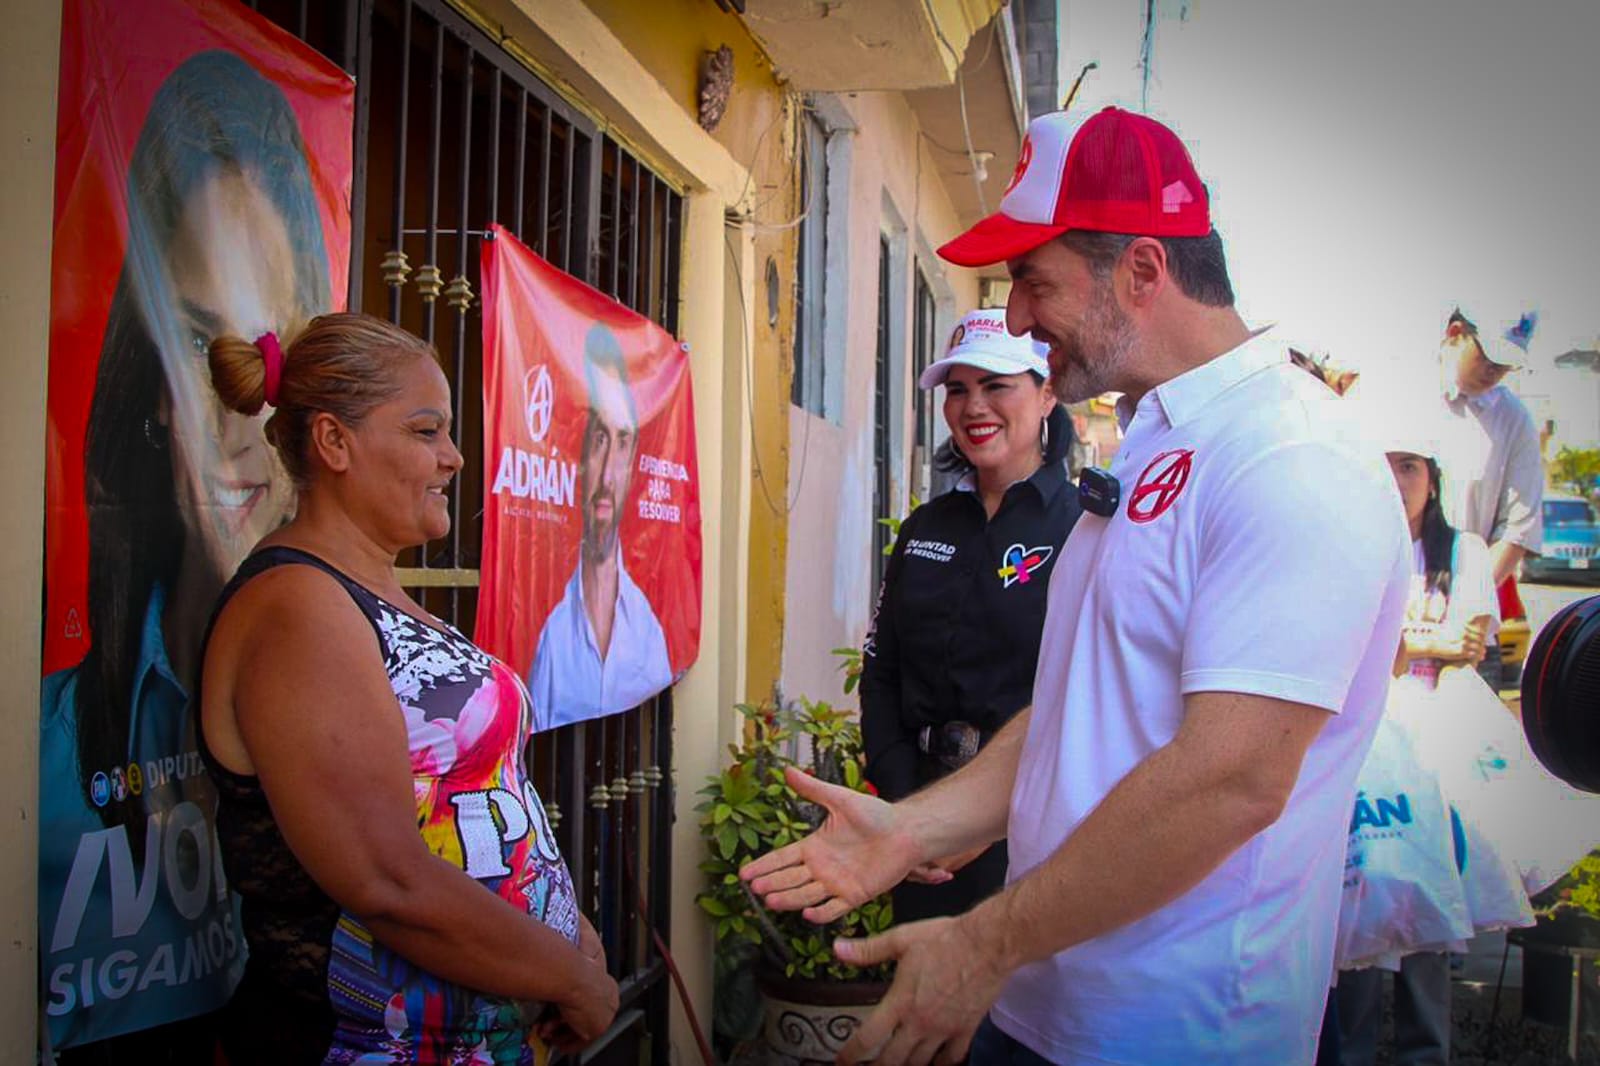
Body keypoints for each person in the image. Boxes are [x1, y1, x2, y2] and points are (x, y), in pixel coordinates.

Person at [743, 105, 1413, 1065]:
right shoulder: (1154, 440)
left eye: (1031, 279)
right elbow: (1081, 712)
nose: (1015, 317)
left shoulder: (1291, 456)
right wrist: (912, 824)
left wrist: (983, 940)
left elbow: (1230, 780)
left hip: (1178, 1033)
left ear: (1142, 271)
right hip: (1044, 1003)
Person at [197, 312, 619, 1063]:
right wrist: (573, 980)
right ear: (334, 442)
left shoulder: (369, 587)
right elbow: (384, 876)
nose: (455, 458)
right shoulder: (298, 608)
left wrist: (561, 939)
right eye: (427, 432)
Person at [39, 50, 329, 1060]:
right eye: (205, 352)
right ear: (153, 387)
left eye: (273, 357)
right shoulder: (45, 743)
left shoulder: (360, 657)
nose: (245, 419)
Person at [861, 308, 1081, 926]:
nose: (973, 406)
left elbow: (1081, 694)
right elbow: (881, 669)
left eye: (996, 385)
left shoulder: (1085, 531)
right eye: (957, 389)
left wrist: (982, 820)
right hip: (921, 826)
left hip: (1032, 829)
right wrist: (911, 807)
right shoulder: (924, 529)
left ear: (1048, 394)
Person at [1332, 428, 1496, 1066]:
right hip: (1367, 751)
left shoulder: (1466, 550)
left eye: (1409, 466)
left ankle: (1425, 1054)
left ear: (1433, 476)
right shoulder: (1352, 540)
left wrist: (1401, 643)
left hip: (1436, 754)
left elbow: (1471, 644)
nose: (1397, 481)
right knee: (1364, 903)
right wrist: (1423, 643)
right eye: (1385, 464)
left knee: (1426, 910)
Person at [528, 322, 671, 730]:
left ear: (634, 461)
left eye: (622, 440)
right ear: (577, 457)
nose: (608, 475)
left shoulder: (648, 634)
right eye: (598, 439)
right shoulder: (552, 642)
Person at [1432, 306, 1544, 689]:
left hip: (1471, 630)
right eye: (1489, 357)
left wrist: (1464, 605)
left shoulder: (1513, 420)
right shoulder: (1402, 398)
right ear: (1455, 332)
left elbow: (1517, 530)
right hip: (1398, 624)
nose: (1496, 371)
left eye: (1507, 364)